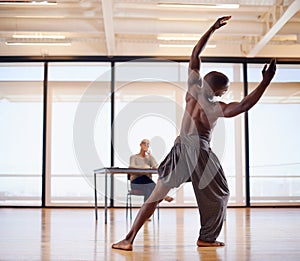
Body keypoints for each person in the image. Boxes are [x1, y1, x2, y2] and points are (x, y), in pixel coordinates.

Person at [112, 16, 276, 251]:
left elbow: (195, 55)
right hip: (199, 150)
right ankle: (207, 237)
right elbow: (243, 106)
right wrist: (265, 82)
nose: (226, 92)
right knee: (221, 193)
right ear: (219, 90)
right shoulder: (215, 108)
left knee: (157, 195)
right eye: (226, 89)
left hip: (180, 147)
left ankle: (128, 239)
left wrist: (212, 28)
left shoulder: (192, 89)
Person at [129, 138, 174, 203]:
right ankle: (163, 195)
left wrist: (150, 156)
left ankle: (145, 211)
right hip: (136, 183)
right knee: (144, 178)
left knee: (148, 189)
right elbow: (131, 167)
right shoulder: (133, 157)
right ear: (140, 145)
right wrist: (144, 167)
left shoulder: (149, 158)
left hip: (147, 184)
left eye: (148, 144)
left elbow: (156, 166)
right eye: (144, 143)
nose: (146, 145)